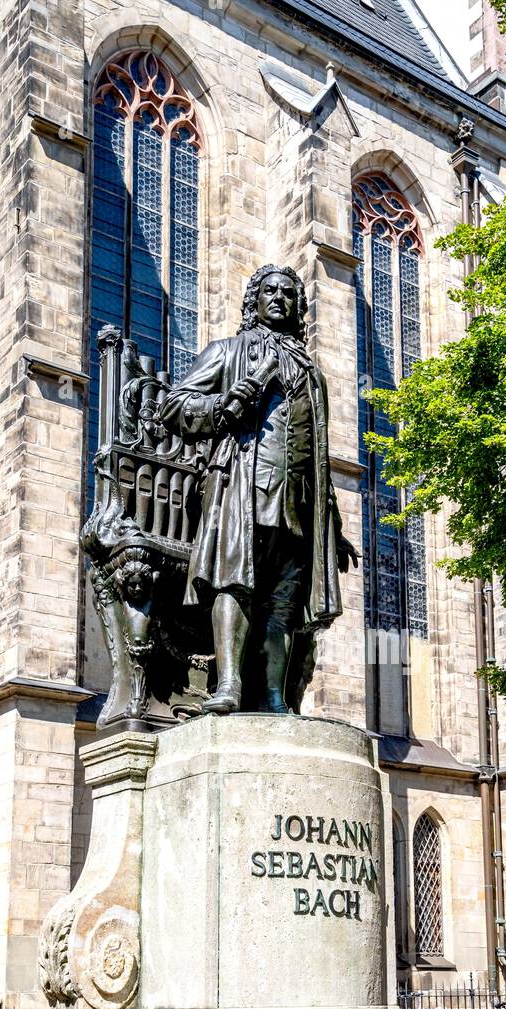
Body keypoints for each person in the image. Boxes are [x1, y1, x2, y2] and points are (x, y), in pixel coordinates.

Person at [160, 265, 358, 713]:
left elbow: (318, 453)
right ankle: (228, 686)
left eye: (288, 294)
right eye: (269, 291)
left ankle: (272, 696)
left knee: (283, 601)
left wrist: (334, 526)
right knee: (235, 581)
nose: (279, 299)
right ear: (254, 300)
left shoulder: (312, 374)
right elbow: (175, 406)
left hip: (297, 502)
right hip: (240, 488)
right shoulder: (227, 352)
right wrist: (224, 405)